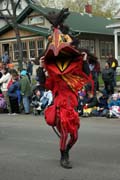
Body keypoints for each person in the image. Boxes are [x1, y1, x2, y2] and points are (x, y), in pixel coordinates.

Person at [43, 8, 94, 169]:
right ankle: (64, 157)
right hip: (61, 106)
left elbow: (86, 76)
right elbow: (44, 81)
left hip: (72, 106)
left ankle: (66, 151)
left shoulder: (74, 71)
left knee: (75, 136)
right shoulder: (55, 75)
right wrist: (42, 66)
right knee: (65, 133)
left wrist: (84, 61)